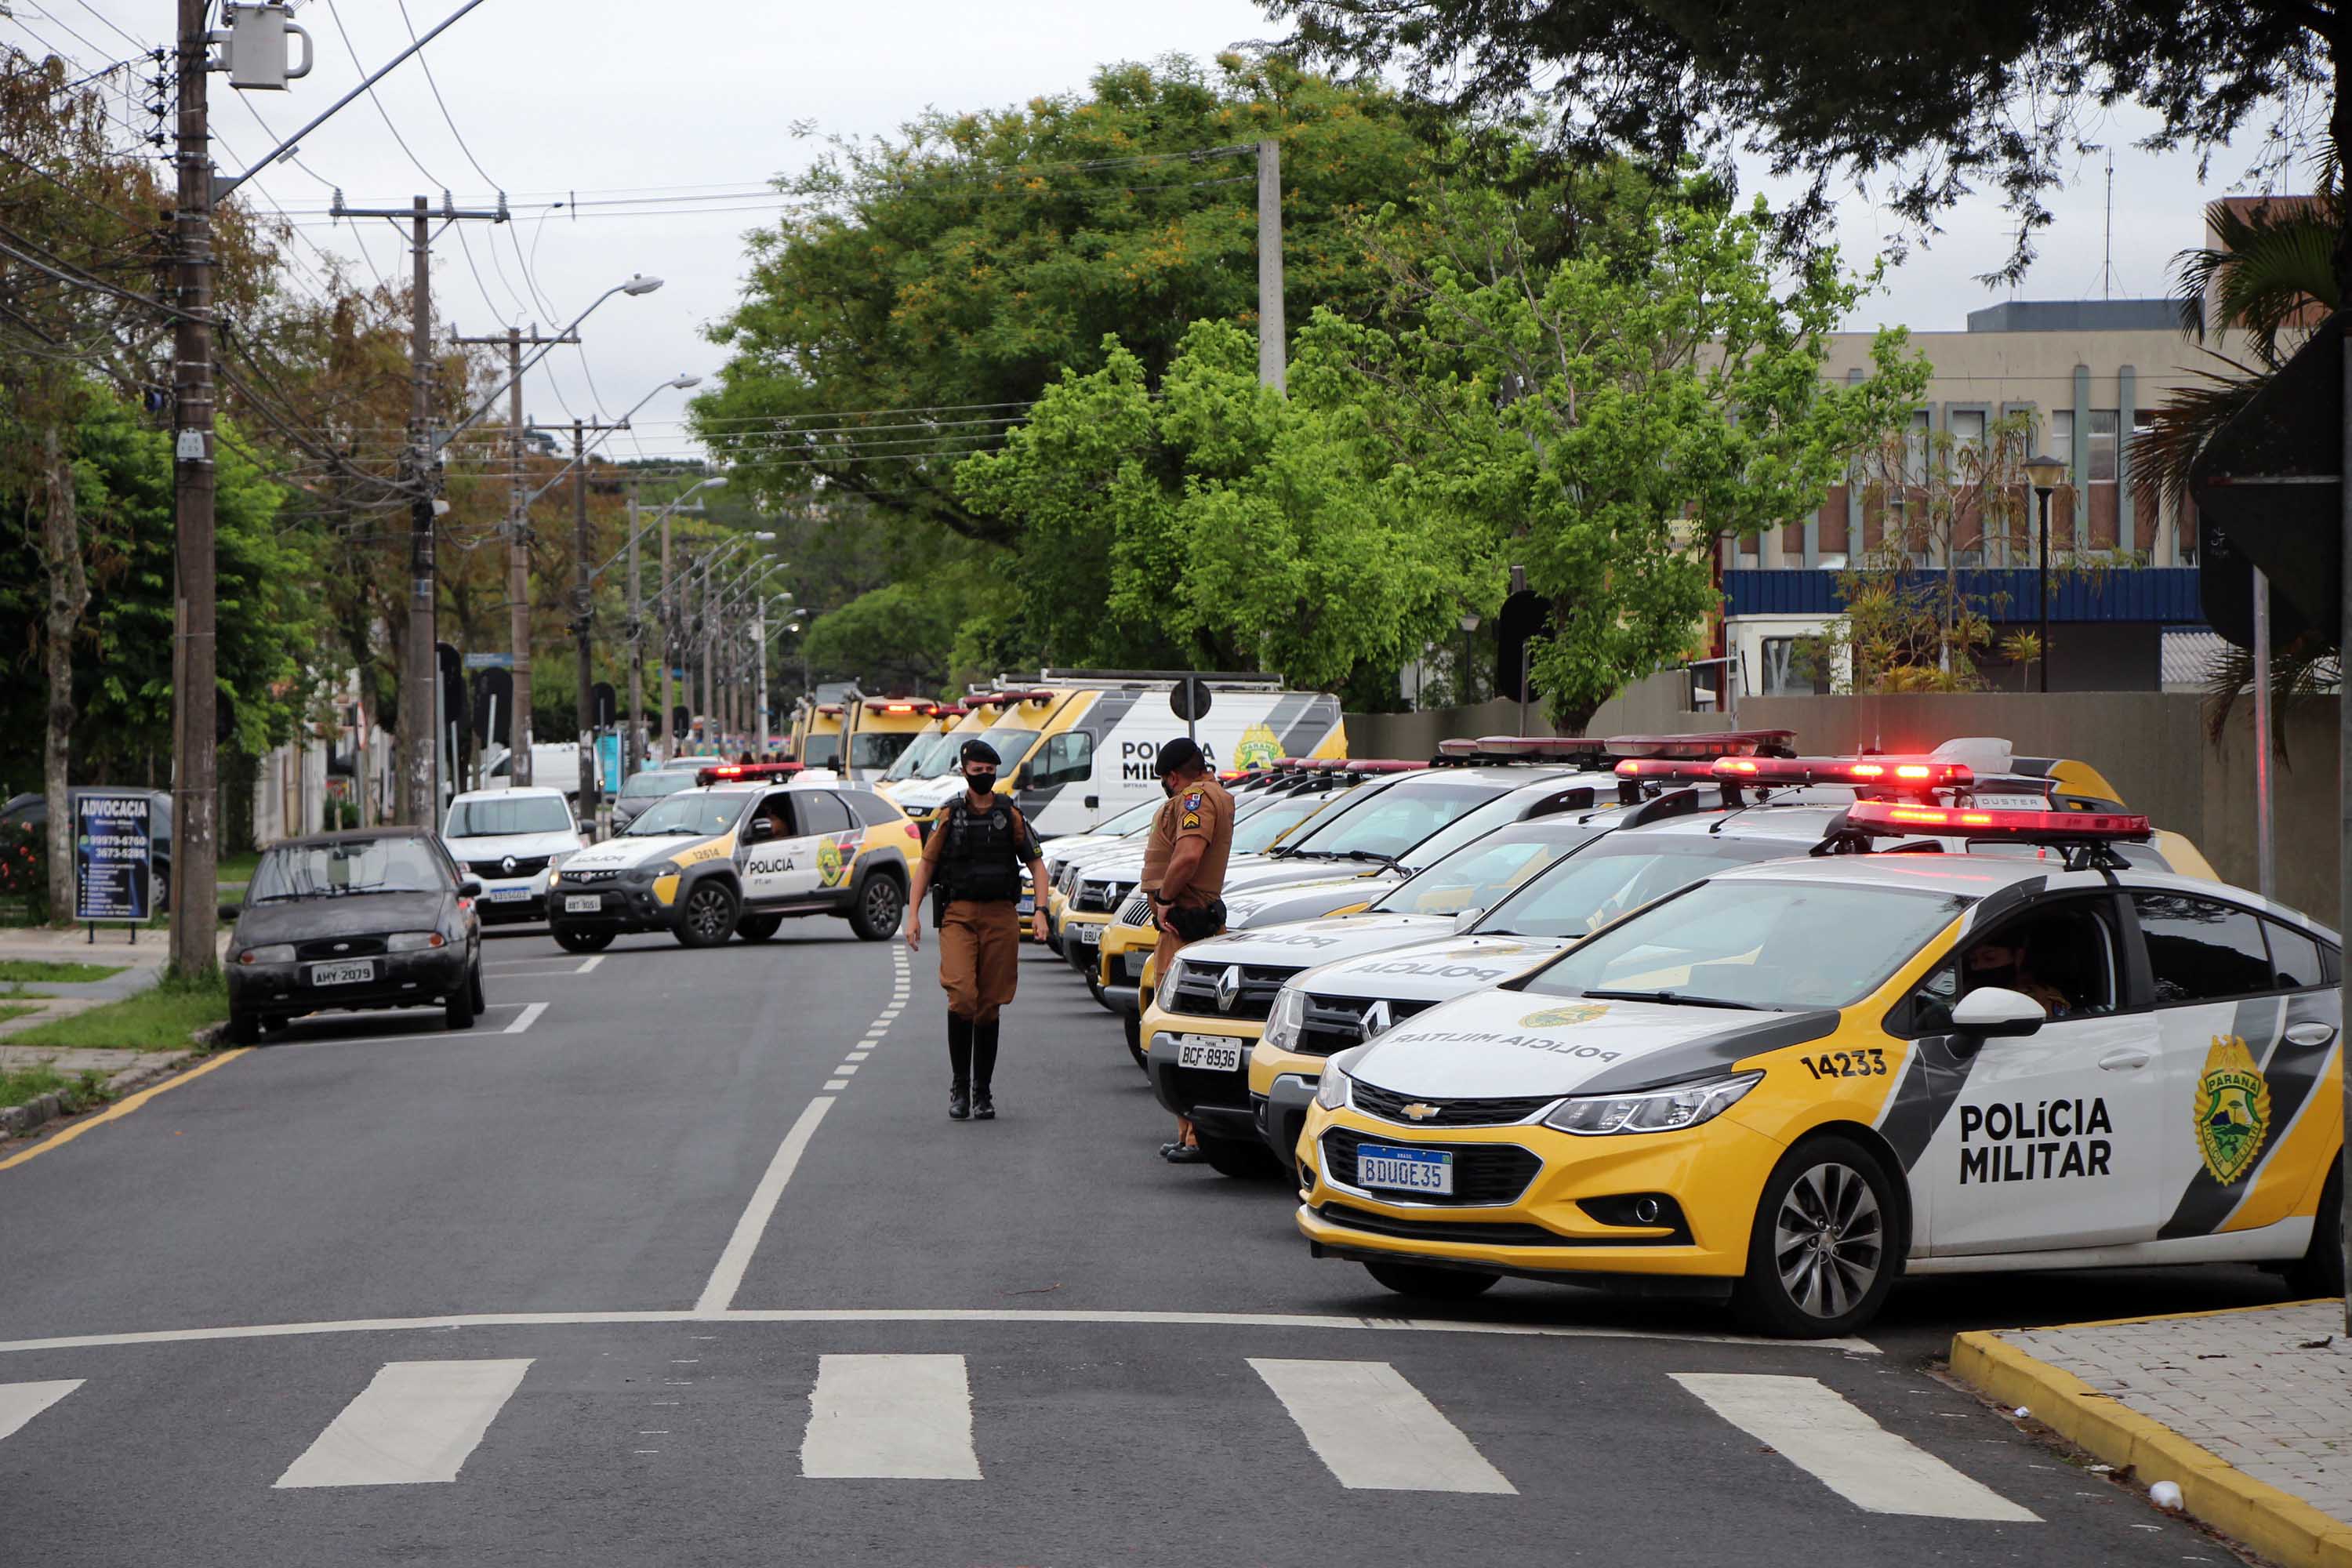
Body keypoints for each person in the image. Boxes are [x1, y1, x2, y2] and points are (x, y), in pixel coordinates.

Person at [904, 739, 1049, 1120]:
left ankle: (982, 1092)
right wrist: (913, 915)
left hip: (1001, 915)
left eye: (990, 771)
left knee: (989, 1005)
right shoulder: (949, 815)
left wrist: (1041, 911)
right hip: (960, 916)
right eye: (977, 770)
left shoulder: (1010, 814)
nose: (984, 776)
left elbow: (1037, 865)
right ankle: (959, 1085)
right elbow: (926, 865)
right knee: (963, 996)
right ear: (965, 769)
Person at [1141, 736, 1236, 1164]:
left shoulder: (1196, 798)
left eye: (1166, 780)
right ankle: (1194, 1130)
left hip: (1185, 925)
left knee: (1183, 1029)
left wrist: (1163, 898)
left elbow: (1188, 856)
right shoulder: (1217, 795)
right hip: (1195, 922)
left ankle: (1194, 1133)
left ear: (1174, 776)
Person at [1963, 936, 2071, 1017]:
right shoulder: (1964, 991)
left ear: (2018, 956)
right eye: (1973, 960)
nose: (1979, 966)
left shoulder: (2041, 999)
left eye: (1990, 958)